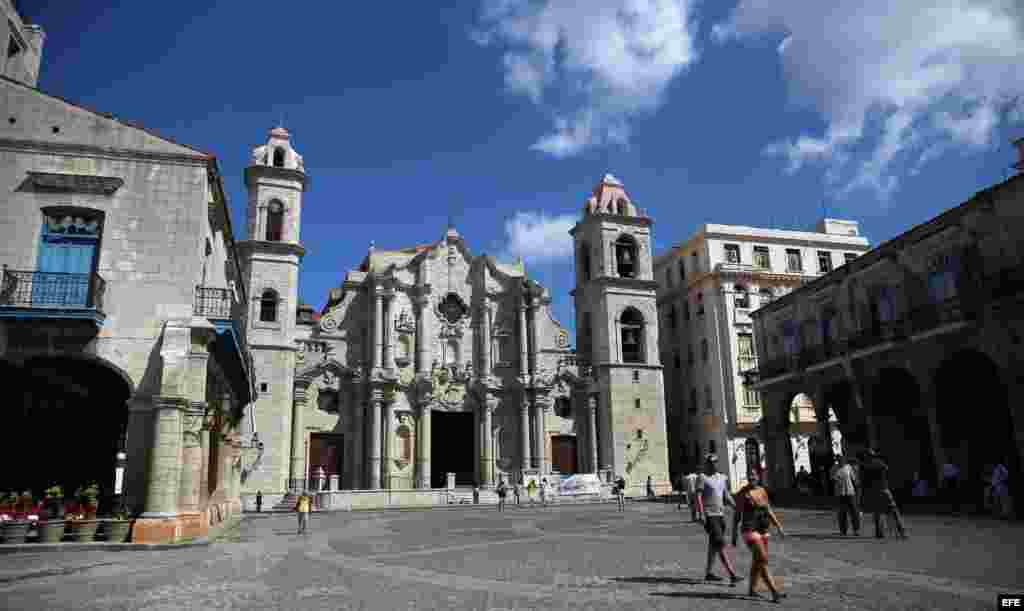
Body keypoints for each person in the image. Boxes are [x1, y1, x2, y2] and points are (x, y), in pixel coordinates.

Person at [732, 472, 787, 603]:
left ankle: (752, 590)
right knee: (762, 558)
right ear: (747, 478)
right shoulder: (742, 494)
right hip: (749, 530)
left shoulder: (762, 490)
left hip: (763, 529)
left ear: (758, 478)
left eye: (754, 476)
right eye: (750, 476)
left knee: (758, 561)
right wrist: (734, 535)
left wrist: (779, 526)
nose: (752, 478)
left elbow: (768, 510)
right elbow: (737, 516)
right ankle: (774, 592)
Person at [697, 454, 742, 586]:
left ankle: (709, 574)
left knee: (714, 545)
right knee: (720, 544)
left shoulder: (722, 478)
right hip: (710, 515)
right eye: (711, 463)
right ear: (707, 464)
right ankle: (732, 574)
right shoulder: (702, 477)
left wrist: (736, 507)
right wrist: (701, 514)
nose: (714, 464)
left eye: (715, 462)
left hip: (720, 515)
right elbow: (698, 496)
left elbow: (726, 495)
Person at [859, 449, 907, 539]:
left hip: (873, 491)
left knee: (877, 512)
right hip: (884, 489)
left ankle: (879, 533)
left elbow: (863, 481)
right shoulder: (880, 463)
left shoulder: (865, 466)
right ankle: (902, 531)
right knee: (894, 511)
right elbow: (886, 469)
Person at [832, 455, 860, 536]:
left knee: (854, 511)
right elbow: (832, 478)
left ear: (844, 460)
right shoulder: (834, 468)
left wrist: (857, 488)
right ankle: (843, 530)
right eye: (838, 460)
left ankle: (856, 529)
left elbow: (854, 479)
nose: (840, 461)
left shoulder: (849, 467)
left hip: (850, 492)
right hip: (840, 493)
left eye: (841, 460)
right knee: (842, 513)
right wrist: (835, 479)